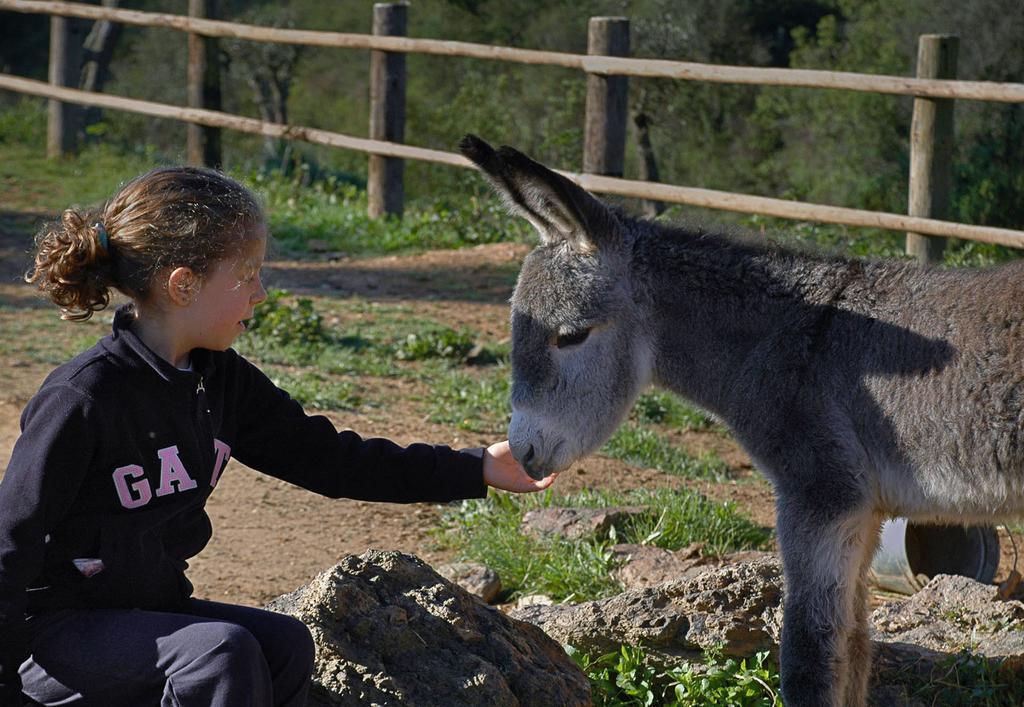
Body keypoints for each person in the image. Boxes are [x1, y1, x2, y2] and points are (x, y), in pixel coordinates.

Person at [0, 166, 556, 707]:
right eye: (247, 275)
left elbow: (332, 460)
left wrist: (476, 467)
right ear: (183, 283)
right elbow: (10, 542)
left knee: (283, 645)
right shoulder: (84, 398)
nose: (260, 293)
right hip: (50, 639)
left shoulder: (219, 380)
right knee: (218, 653)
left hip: (146, 617)